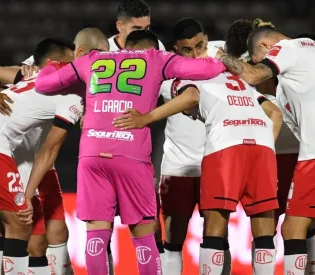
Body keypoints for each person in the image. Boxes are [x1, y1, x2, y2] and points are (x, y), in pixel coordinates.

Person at [33, 29, 226, 275]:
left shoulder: (91, 60)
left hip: (92, 153)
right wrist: (219, 56)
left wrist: (54, 65)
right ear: (153, 48)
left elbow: (43, 83)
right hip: (131, 154)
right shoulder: (157, 59)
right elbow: (210, 69)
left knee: (96, 235)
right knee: (144, 235)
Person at [210, 19, 315, 274]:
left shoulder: (286, 49)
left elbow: (254, 75)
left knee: (291, 229)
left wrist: (221, 57)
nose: (262, 64)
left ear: (267, 46)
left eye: (259, 57)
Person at [112, 66, 283, 275]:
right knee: (262, 230)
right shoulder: (240, 81)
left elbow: (191, 96)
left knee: (213, 231)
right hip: (257, 150)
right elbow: (275, 112)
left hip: (221, 154)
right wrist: (267, 146)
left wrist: (144, 118)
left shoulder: (184, 81)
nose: (190, 116)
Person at [0, 28, 107, 275]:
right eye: (98, 55)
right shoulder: (39, 70)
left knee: (59, 231)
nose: (101, 62)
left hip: (44, 165)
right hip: (20, 162)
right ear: (80, 53)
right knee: (33, 240)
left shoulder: (86, 76)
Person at [0, 37, 83, 275]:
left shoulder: (40, 74)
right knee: (22, 228)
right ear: (53, 62)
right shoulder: (64, 85)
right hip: (8, 153)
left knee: (30, 227)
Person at [157, 17, 229, 275]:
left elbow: (266, 46)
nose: (196, 53)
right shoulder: (164, 72)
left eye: (200, 45)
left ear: (206, 38)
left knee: (219, 235)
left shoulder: (225, 57)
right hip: (179, 166)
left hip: (217, 164)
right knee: (174, 236)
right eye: (188, 49)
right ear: (176, 49)